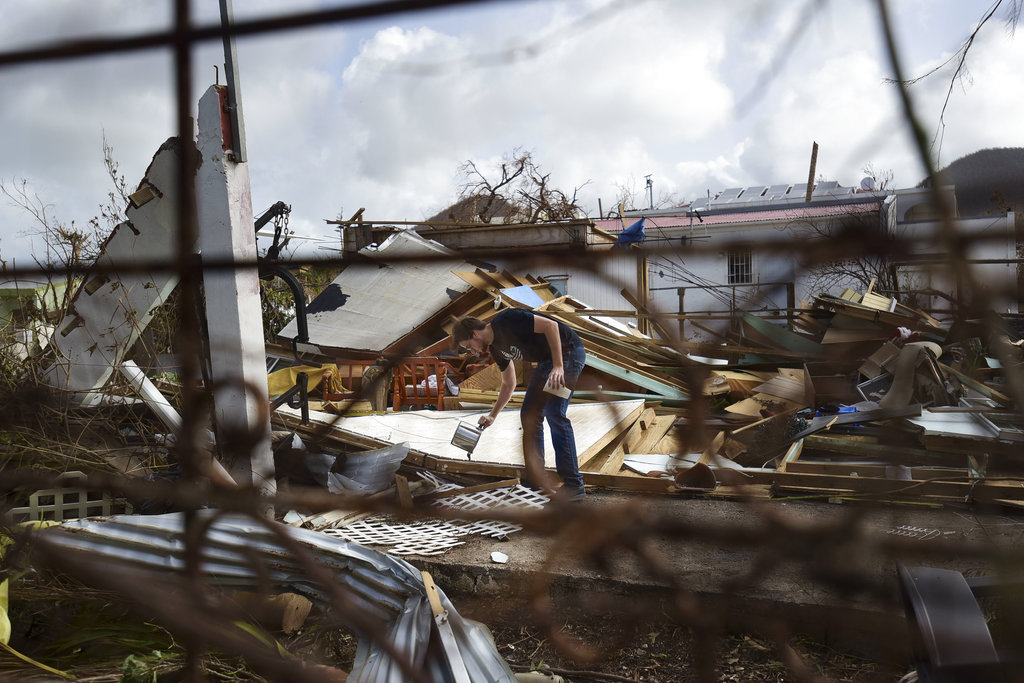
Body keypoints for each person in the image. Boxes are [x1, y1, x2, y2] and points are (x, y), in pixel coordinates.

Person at [452, 310, 587, 499]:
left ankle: (574, 486)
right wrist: (493, 415)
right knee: (529, 415)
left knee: (554, 412)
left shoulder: (506, 320)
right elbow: (509, 384)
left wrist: (558, 366)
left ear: (474, 334)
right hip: (546, 362)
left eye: (468, 346)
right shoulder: (497, 350)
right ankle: (537, 480)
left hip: (568, 353)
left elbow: (551, 326)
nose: (472, 352)